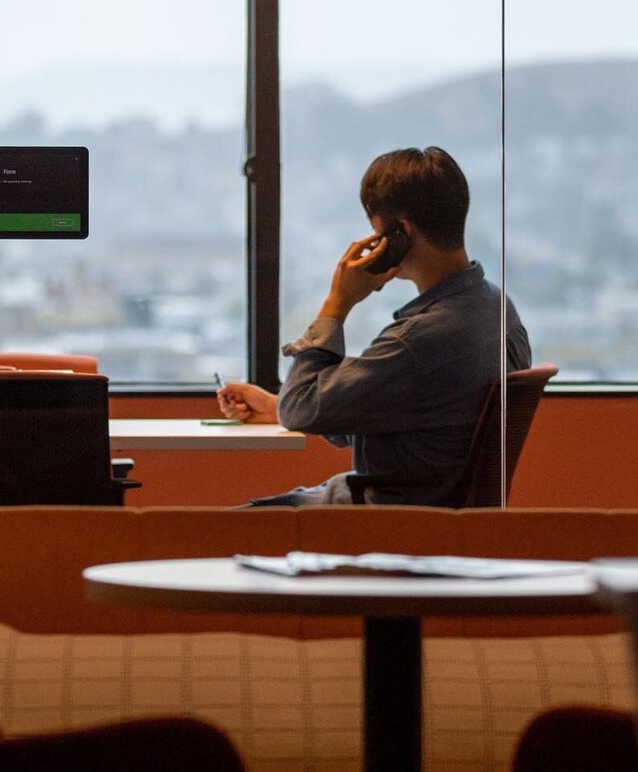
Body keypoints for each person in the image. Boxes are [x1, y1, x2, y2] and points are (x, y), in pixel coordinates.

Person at [218, 145, 531, 506]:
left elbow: (300, 407)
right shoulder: (497, 309)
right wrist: (278, 406)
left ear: (400, 232)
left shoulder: (418, 342)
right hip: (434, 521)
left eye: (377, 231)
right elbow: (416, 418)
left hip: (384, 524)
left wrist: (338, 302)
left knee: (214, 532)